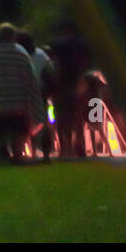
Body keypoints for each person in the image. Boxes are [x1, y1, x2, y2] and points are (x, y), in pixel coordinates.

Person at [0, 22, 42, 163]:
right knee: (18, 131)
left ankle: (1, 154)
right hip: (18, 102)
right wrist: (32, 98)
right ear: (13, 36)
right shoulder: (20, 52)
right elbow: (29, 77)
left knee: (0, 130)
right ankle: (17, 155)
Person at [50, 20, 91, 159]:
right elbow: (85, 65)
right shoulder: (81, 44)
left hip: (62, 83)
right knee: (78, 115)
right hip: (77, 82)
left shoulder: (57, 44)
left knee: (62, 117)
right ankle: (80, 146)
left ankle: (65, 148)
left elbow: (55, 64)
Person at [15, 29, 54, 161]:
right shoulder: (41, 54)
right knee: (43, 122)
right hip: (40, 91)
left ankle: (32, 152)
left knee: (27, 123)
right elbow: (50, 71)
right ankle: (46, 153)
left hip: (24, 92)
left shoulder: (19, 54)